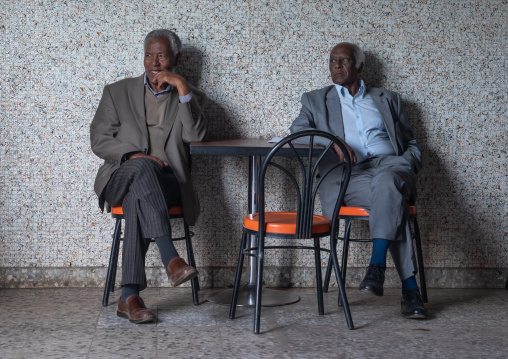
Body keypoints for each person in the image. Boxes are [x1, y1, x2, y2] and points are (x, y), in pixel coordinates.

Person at [290, 42, 427, 319]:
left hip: (392, 166)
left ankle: (376, 268)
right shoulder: (315, 99)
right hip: (349, 176)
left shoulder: (388, 98)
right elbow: (297, 133)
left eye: (344, 60)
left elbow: (410, 142)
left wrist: (410, 161)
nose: (337, 66)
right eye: (332, 61)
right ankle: (409, 288)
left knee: (389, 181)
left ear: (359, 66)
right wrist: (334, 141)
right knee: (391, 197)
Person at [90, 29, 207, 323]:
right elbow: (99, 139)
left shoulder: (189, 96)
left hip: (167, 184)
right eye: (149, 54)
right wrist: (133, 155)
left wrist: (181, 87)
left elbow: (196, 136)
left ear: (175, 59)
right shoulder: (117, 92)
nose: (154, 62)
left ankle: (129, 296)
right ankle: (171, 257)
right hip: (121, 174)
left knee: (138, 198)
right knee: (142, 168)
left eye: (162, 55)